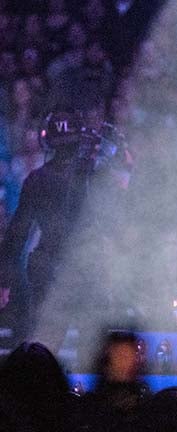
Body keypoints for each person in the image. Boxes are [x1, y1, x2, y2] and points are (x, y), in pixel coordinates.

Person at [0, 108, 133, 367]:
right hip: (87, 268)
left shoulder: (36, 180)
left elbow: (18, 234)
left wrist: (4, 280)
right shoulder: (97, 176)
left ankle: (35, 400)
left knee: (45, 345)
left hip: (48, 267)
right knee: (91, 348)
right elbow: (122, 209)